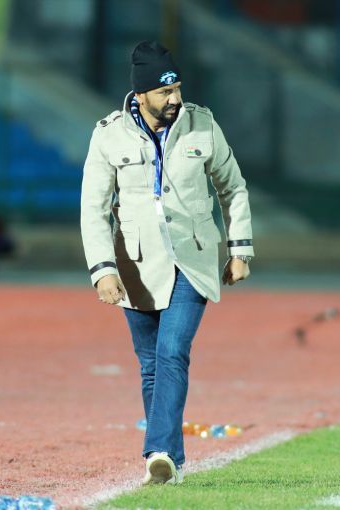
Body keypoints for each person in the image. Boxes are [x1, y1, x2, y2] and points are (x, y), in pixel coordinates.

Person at [80, 41, 254, 485]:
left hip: (193, 260)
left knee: (172, 351)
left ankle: (158, 452)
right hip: (136, 266)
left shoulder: (203, 125)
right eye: (165, 92)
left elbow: (233, 187)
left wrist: (239, 250)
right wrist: (103, 270)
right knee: (151, 365)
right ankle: (170, 461)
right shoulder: (109, 134)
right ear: (141, 95)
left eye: (177, 88)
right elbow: (93, 208)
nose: (175, 98)